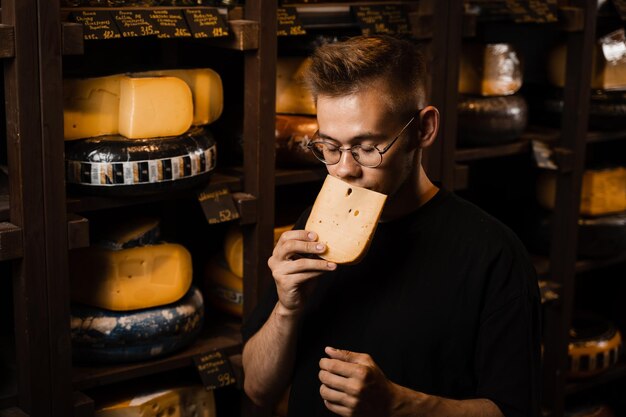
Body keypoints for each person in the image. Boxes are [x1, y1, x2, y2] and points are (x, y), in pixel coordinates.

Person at [241, 34, 541, 417]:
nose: (343, 169)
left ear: (424, 129)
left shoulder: (494, 254)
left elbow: (514, 411)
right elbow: (258, 389)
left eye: (367, 147)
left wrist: (397, 404)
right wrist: (286, 307)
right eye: (329, 147)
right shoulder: (312, 230)